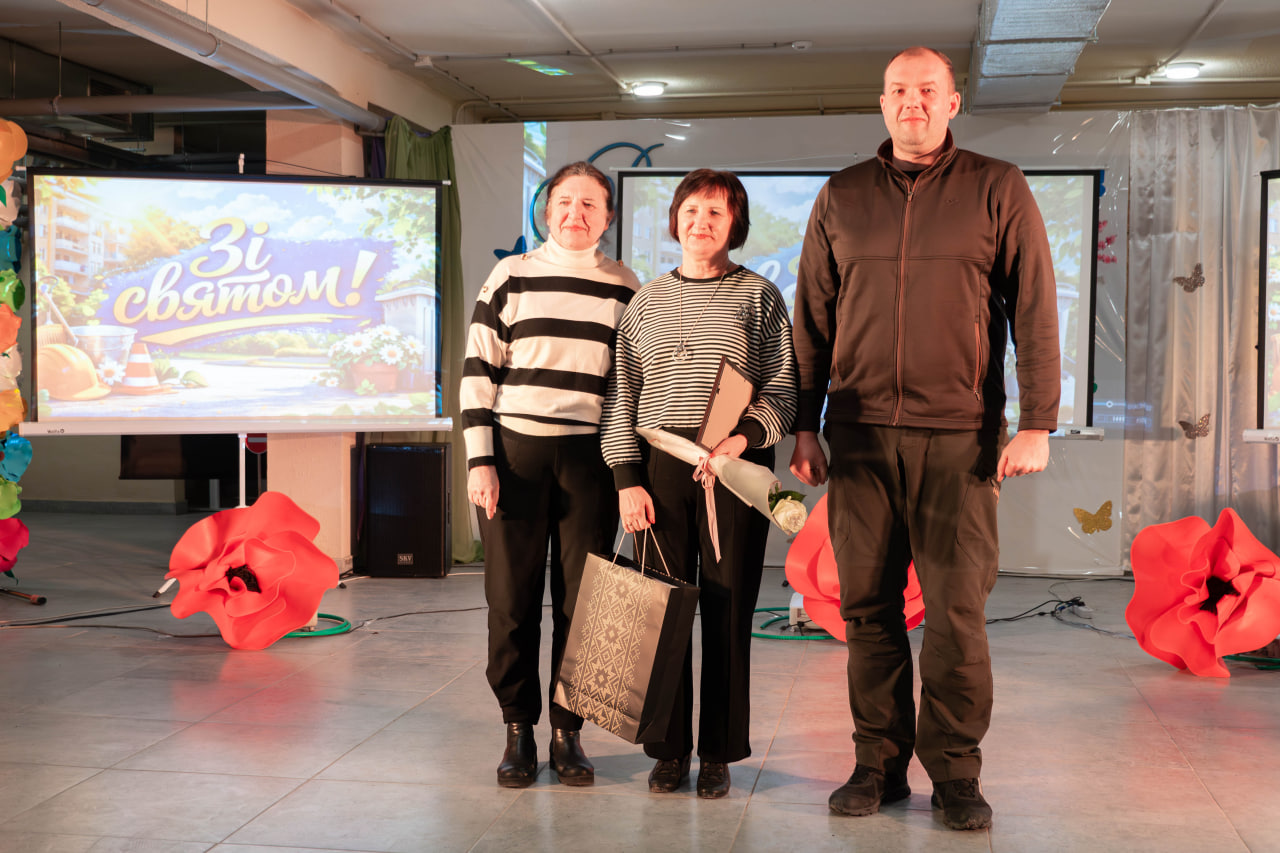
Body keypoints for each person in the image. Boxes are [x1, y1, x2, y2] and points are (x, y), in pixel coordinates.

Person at [790, 46, 1060, 831]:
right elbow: (811, 319)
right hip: (860, 437)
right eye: (899, 90)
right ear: (883, 103)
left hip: (960, 438)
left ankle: (956, 771)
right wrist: (804, 423)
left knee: (956, 613)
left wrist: (1038, 420)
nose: (913, 102)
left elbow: (1035, 305)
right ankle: (876, 763)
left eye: (927, 89)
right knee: (867, 609)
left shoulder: (997, 186)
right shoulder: (842, 195)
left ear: (952, 101)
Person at [601, 168, 798, 799]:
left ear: (735, 223)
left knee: (728, 612)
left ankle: (717, 752)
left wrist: (742, 439)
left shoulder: (759, 296)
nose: (701, 222)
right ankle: (667, 750)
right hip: (660, 473)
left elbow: (783, 389)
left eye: (716, 212)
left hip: (732, 474)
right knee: (661, 614)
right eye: (691, 210)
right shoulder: (646, 301)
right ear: (675, 220)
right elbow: (622, 398)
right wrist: (628, 480)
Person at [462, 161, 640, 789]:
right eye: (565, 201)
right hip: (514, 456)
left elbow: (626, 386)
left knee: (583, 604)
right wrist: (480, 460)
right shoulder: (511, 275)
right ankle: (518, 729)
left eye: (590, 204)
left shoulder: (625, 285)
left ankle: (569, 732)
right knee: (510, 602)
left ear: (608, 217)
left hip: (588, 457)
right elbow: (477, 372)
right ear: (546, 209)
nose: (575, 214)